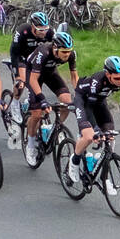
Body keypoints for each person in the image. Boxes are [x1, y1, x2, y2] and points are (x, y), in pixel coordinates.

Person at [66, 55, 120, 194]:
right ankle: (74, 161)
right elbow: (89, 108)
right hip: (83, 101)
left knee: (110, 137)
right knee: (88, 136)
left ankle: (103, 178)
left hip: (99, 102)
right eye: (117, 78)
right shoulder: (97, 81)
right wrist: (95, 128)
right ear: (107, 74)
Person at [24, 30, 80, 166]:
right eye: (64, 52)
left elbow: (74, 77)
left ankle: (55, 127)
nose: (67, 55)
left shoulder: (71, 54)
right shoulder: (44, 52)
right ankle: (30, 145)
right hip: (33, 74)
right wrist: (42, 99)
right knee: (37, 113)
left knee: (67, 103)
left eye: (69, 51)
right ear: (55, 48)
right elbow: (33, 79)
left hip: (51, 73)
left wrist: (80, 95)